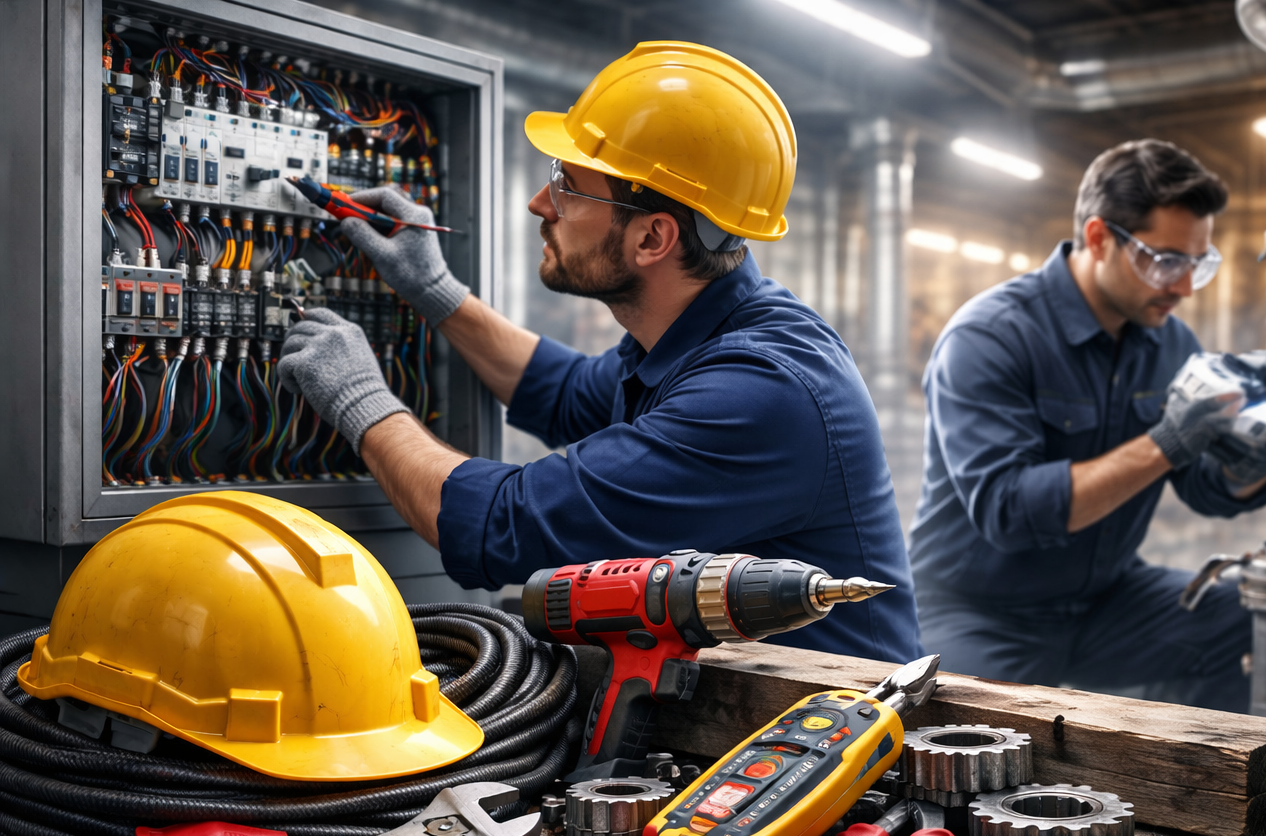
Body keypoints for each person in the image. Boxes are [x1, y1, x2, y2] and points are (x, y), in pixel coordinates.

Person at [277, 42, 921, 663]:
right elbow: (560, 390)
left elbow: (501, 525)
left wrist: (359, 399)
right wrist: (439, 294)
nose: (539, 204)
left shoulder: (761, 393)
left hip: (813, 738)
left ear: (651, 238)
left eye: (565, 184)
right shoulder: (695, 337)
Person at [907, 139, 1266, 711]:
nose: (1183, 287)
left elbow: (1204, 489)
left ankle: (1191, 784)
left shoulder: (1170, 342)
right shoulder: (990, 336)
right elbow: (1008, 510)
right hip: (978, 609)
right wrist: (1169, 440)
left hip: (1106, 600)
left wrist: (1253, 458)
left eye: (1196, 264)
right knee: (993, 740)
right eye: (1164, 260)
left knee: (1251, 621)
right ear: (1098, 237)